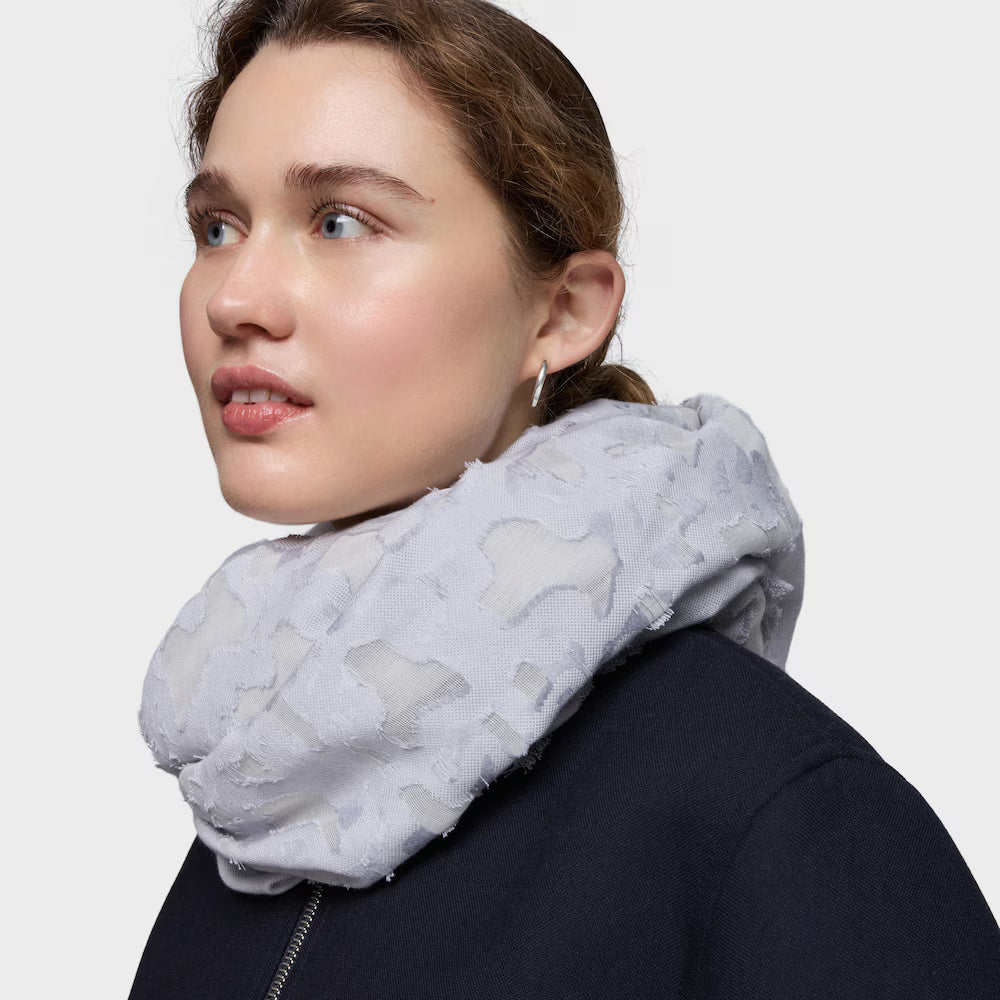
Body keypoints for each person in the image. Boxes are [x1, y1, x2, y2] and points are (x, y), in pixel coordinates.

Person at [128, 0, 1000, 996]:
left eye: (340, 221)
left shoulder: (766, 796)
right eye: (217, 226)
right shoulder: (268, 773)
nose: (234, 297)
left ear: (565, 311)